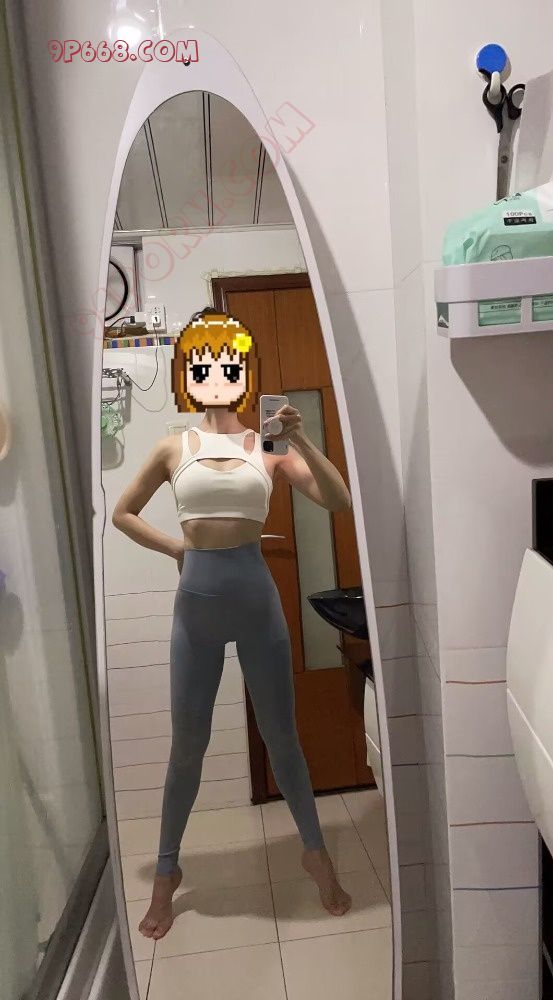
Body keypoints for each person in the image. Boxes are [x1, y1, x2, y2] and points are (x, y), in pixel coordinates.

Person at [112, 307, 354, 940]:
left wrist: (300, 438)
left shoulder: (266, 447)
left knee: (283, 736)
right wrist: (176, 548)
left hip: (255, 600)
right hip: (196, 607)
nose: (216, 375)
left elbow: (338, 500)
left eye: (228, 364)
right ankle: (167, 872)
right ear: (187, 376)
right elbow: (122, 513)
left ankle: (314, 853)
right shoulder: (174, 446)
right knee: (187, 747)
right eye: (203, 364)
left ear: (244, 373)